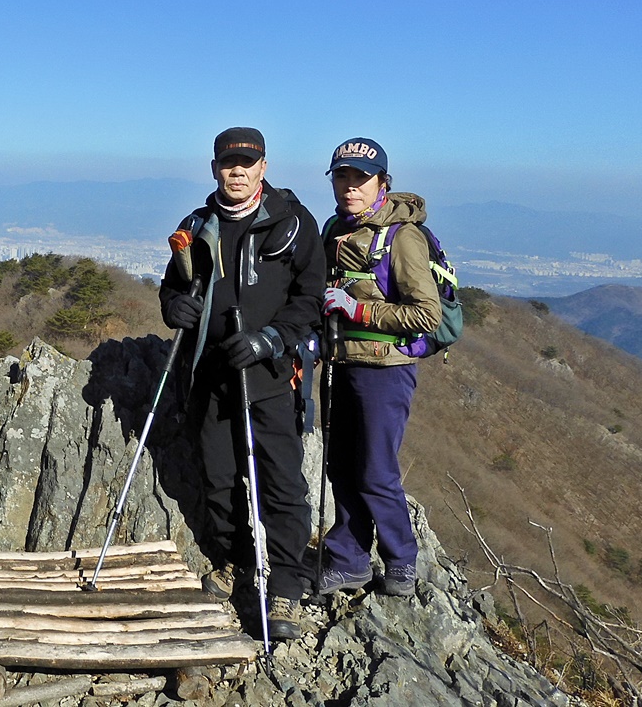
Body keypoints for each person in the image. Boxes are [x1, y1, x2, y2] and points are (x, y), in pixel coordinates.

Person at [159, 127, 324, 641]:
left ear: (263, 167)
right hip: (210, 375)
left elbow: (311, 298)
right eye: (228, 163)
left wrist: (270, 340)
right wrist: (174, 307)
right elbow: (171, 285)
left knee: (281, 482)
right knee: (219, 477)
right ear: (214, 169)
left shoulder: (292, 222)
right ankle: (237, 561)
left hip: (270, 377)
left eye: (247, 163)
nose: (237, 171)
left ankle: (287, 584)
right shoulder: (197, 224)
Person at [317, 138, 441, 598]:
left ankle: (401, 562)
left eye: (360, 178)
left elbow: (426, 313)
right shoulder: (335, 228)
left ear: (382, 183)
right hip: (340, 361)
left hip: (386, 369)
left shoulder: (402, 237)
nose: (350, 186)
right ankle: (348, 559)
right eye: (342, 176)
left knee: (375, 469)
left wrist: (358, 310)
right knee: (341, 465)